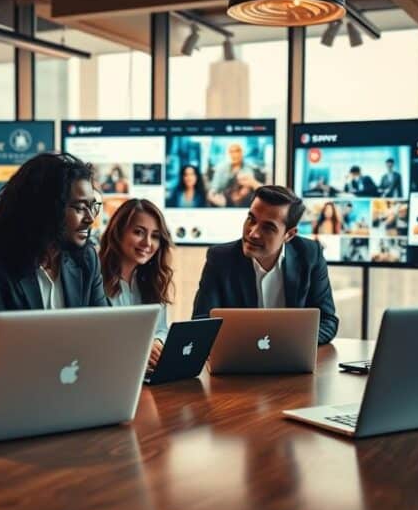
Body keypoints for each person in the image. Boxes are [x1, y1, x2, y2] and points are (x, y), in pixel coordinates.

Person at [0, 153, 109, 347]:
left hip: (79, 372)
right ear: (46, 209)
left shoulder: (86, 260)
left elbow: (105, 331)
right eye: (79, 207)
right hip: (19, 376)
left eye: (92, 206)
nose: (90, 219)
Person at [192, 185, 339, 345]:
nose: (253, 233)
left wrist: (286, 345)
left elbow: (327, 321)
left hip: (290, 359)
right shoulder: (220, 258)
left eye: (268, 227)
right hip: (238, 362)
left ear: (289, 235)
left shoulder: (310, 254)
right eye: (251, 219)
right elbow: (201, 322)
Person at [99, 199, 173, 371]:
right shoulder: (95, 279)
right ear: (119, 232)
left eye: (155, 236)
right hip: (108, 372)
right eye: (139, 232)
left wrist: (156, 342)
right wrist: (142, 347)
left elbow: (162, 328)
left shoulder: (153, 279)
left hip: (141, 373)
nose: (147, 243)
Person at [208, 143, 259, 208]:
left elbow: (249, 186)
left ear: (241, 153)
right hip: (223, 201)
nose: (235, 154)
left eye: (237, 151)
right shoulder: (221, 168)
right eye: (232, 152)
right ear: (229, 154)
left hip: (243, 203)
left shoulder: (249, 168)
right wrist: (216, 198)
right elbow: (214, 189)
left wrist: (241, 194)